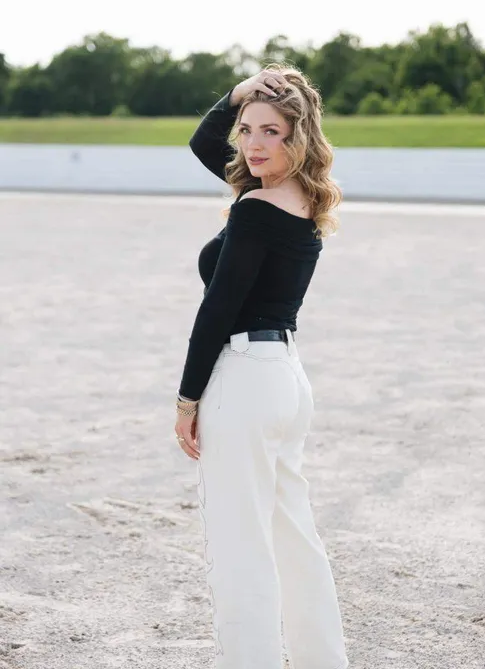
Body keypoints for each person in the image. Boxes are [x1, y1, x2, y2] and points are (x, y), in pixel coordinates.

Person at [174, 65, 349, 669]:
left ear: (296, 139)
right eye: (245, 128)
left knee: (240, 546)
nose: (252, 142)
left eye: (271, 131)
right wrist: (245, 92)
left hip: (245, 378)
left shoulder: (254, 209)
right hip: (285, 380)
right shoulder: (301, 200)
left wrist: (187, 398)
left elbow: (217, 309)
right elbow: (204, 145)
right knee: (294, 538)